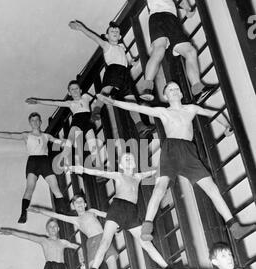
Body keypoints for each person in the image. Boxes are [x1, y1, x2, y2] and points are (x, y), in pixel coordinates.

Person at [97, 83, 256, 242]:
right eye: (170, 90)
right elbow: (139, 108)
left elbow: (213, 112)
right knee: (160, 187)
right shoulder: (164, 111)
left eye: (177, 89)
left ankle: (234, 227)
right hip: (171, 150)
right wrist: (114, 102)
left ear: (181, 94)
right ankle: (147, 225)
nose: (174, 91)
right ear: (165, 96)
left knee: (212, 188)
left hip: (189, 153)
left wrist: (227, 125)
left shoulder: (191, 109)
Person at [112, 0, 218, 103]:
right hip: (157, 19)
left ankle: (198, 89)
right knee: (159, 50)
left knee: (190, 51)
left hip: (171, 20)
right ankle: (147, 86)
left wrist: (188, 8)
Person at [69, 152, 168, 269]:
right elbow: (98, 171)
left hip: (131, 213)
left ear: (134, 164)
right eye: (125, 159)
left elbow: (157, 169)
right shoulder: (118, 175)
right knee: (105, 242)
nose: (128, 160)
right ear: (121, 165)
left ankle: (166, 267)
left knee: (146, 243)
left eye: (131, 158)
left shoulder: (138, 177)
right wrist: (80, 169)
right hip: (117, 209)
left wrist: (170, 164)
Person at [28, 194, 124, 269]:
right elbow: (57, 215)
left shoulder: (91, 211)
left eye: (81, 201)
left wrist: (118, 224)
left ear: (85, 204)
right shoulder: (75, 220)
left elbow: (107, 215)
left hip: (104, 238)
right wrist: (39, 210)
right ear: (73, 206)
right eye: (76, 202)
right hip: (92, 243)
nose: (79, 204)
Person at [0, 112, 66, 224]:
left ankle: (63, 212)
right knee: (29, 188)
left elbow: (60, 142)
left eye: (37, 120)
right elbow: (10, 135)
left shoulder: (47, 136)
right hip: (33, 162)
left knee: (55, 188)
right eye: (32, 120)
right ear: (30, 123)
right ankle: (23, 214)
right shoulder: (26, 135)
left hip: (45, 162)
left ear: (40, 122)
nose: (35, 122)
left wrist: (66, 142)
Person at [69, 20, 137, 119]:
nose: (114, 33)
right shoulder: (107, 46)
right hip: (113, 69)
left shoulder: (121, 47)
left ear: (120, 37)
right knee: (106, 90)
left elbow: (124, 59)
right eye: (112, 32)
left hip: (125, 72)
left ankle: (140, 126)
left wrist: (131, 62)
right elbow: (94, 37)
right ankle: (96, 111)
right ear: (106, 36)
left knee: (131, 99)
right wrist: (81, 28)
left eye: (117, 32)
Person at [25, 80, 102, 168]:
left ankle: (98, 168)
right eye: (72, 90)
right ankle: (62, 159)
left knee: (93, 146)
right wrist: (37, 101)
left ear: (80, 90)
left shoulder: (85, 97)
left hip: (88, 123)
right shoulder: (70, 103)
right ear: (69, 93)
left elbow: (98, 99)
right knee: (70, 140)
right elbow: (54, 102)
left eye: (76, 88)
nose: (75, 91)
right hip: (77, 122)